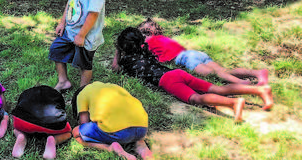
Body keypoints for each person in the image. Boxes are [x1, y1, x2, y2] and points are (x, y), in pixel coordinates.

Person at [113, 27, 273, 123]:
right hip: (177, 73)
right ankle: (259, 91)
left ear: (124, 48)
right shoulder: (145, 52)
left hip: (167, 81)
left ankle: (233, 104)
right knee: (217, 88)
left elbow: (116, 69)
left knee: (197, 98)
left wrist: (117, 53)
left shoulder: (128, 61)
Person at [137, 18, 269, 85]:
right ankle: (257, 73)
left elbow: (142, 52)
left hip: (187, 58)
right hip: (195, 53)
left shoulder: (147, 41)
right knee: (223, 71)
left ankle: (242, 84)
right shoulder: (162, 38)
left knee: (213, 74)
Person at [71, 82, 152, 160]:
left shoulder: (81, 95)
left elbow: (83, 123)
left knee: (76, 132)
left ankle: (110, 148)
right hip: (142, 126)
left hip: (119, 131)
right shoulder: (112, 86)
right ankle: (142, 146)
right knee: (130, 125)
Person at [10, 86, 73, 160]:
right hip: (51, 122)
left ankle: (21, 135)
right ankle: (54, 140)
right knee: (68, 132)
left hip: (24, 122)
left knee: (17, 128)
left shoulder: (26, 94)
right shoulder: (56, 95)